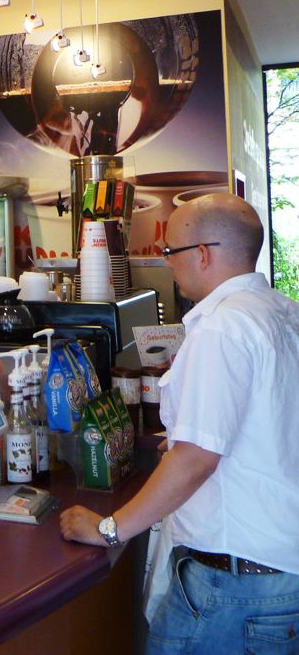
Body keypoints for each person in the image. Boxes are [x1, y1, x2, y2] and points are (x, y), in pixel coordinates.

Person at [60, 193, 299, 652]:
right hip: (279, 572)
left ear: (203, 254)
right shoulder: (283, 311)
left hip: (236, 588)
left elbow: (196, 459)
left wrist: (110, 529)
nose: (167, 262)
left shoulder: (222, 327)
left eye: (170, 251)